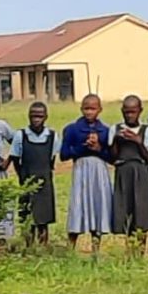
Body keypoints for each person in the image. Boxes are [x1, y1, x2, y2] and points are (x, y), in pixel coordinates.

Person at [60, 95, 118, 249]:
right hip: (81, 170)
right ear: (81, 109)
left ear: (100, 110)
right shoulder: (72, 129)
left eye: (93, 109)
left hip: (99, 171)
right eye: (86, 109)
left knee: (98, 204)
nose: (89, 112)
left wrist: (98, 149)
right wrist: (82, 147)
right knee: (78, 204)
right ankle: (71, 246)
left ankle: (96, 248)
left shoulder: (105, 131)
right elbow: (64, 154)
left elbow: (112, 158)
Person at [110, 96, 148, 245]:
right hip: (123, 172)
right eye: (127, 112)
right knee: (125, 209)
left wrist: (138, 142)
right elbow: (112, 157)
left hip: (140, 173)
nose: (130, 115)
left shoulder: (146, 130)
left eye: (133, 112)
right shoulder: (115, 129)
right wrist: (116, 141)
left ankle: (140, 249)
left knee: (141, 211)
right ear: (122, 111)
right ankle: (129, 247)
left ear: (140, 111)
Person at [12, 101, 58, 242]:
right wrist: (22, 177)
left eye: (40, 116)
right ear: (28, 116)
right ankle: (28, 245)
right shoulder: (20, 135)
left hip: (45, 183)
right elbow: (15, 159)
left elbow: (51, 159)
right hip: (27, 182)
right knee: (27, 217)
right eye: (33, 116)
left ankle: (43, 246)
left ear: (46, 117)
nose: (36, 119)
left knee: (44, 218)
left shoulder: (52, 136)